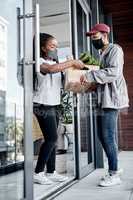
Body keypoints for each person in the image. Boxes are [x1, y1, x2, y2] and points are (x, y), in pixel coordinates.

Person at [80, 23, 129, 187]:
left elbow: (114, 72)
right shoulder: (102, 53)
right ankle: (115, 167)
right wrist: (89, 86)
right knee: (103, 136)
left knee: (107, 135)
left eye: (95, 37)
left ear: (104, 35)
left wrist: (89, 75)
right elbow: (100, 79)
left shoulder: (115, 49)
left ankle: (114, 173)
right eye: (92, 38)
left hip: (111, 99)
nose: (93, 40)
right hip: (103, 99)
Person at [33, 33, 84, 185]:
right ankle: (38, 172)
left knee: (53, 139)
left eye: (57, 46)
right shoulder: (39, 62)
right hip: (42, 104)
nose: (55, 49)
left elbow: (64, 80)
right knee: (52, 138)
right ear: (43, 48)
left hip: (54, 104)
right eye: (52, 46)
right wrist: (72, 62)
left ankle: (51, 171)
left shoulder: (56, 64)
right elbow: (50, 69)